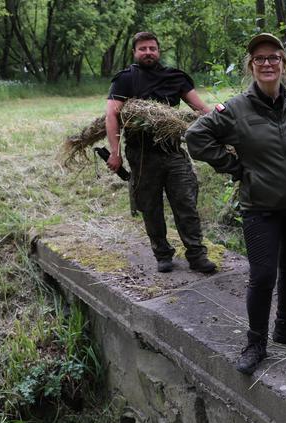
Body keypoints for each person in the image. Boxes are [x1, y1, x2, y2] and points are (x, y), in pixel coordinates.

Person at [185, 33, 286, 375]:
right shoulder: (235, 109)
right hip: (260, 207)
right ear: (251, 65)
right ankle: (256, 342)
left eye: (273, 57)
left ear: (283, 64)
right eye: (259, 58)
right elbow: (196, 137)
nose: (267, 63)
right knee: (263, 275)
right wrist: (235, 167)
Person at [105, 31, 216, 274]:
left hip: (173, 152)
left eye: (152, 48)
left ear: (158, 51)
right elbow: (112, 115)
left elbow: (201, 109)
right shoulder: (126, 79)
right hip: (142, 155)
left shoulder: (175, 77)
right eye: (142, 48)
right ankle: (162, 254)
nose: (148, 53)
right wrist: (115, 153)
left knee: (186, 203)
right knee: (150, 206)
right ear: (135, 52)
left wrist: (225, 126)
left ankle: (196, 255)